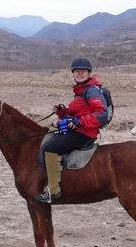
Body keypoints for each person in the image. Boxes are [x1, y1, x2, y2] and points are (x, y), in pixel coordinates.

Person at [34, 57, 109, 203]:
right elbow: (78, 112)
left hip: (84, 132)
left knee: (49, 148)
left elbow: (102, 114)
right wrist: (63, 112)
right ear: (73, 73)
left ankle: (53, 191)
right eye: (77, 71)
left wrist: (78, 122)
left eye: (83, 71)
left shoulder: (91, 91)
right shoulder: (81, 91)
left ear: (89, 73)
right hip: (79, 128)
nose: (79, 74)